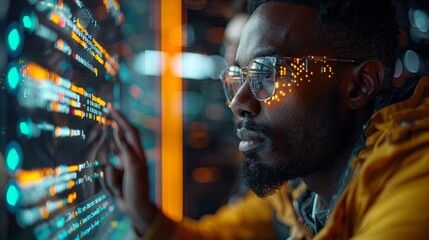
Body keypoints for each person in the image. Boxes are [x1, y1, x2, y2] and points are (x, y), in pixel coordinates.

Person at [98, 0, 429, 239]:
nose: (239, 102)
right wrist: (143, 212)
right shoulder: (300, 191)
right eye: (238, 77)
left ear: (358, 86)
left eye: (268, 72)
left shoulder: (415, 181)